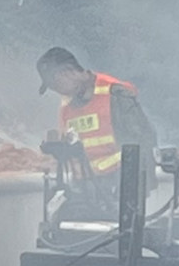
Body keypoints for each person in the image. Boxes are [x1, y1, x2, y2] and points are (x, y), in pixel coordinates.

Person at [37, 46, 154, 200]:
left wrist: (133, 188)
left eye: (55, 85)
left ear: (67, 73)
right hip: (85, 189)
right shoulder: (66, 105)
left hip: (120, 183)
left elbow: (142, 142)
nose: (56, 91)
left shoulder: (115, 94)